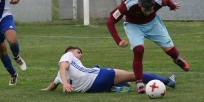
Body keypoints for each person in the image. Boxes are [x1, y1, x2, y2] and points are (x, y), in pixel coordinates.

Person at [106, 0, 189, 94]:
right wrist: (118, 41)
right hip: (133, 25)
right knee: (138, 50)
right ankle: (140, 83)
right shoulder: (128, 4)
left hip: (153, 23)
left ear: (154, 5)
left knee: (171, 51)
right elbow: (110, 21)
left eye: (150, 10)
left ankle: (176, 58)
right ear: (139, 4)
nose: (147, 13)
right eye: (145, 10)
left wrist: (172, 6)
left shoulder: (158, 0)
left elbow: (166, 0)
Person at [42, 46, 176, 93]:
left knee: (96, 68)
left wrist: (45, 90)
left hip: (93, 89)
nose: (80, 54)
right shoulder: (68, 55)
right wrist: (65, 83)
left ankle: (118, 86)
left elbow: (53, 85)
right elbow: (63, 66)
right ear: (70, 51)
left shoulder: (59, 76)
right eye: (79, 52)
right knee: (133, 75)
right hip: (99, 77)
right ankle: (167, 81)